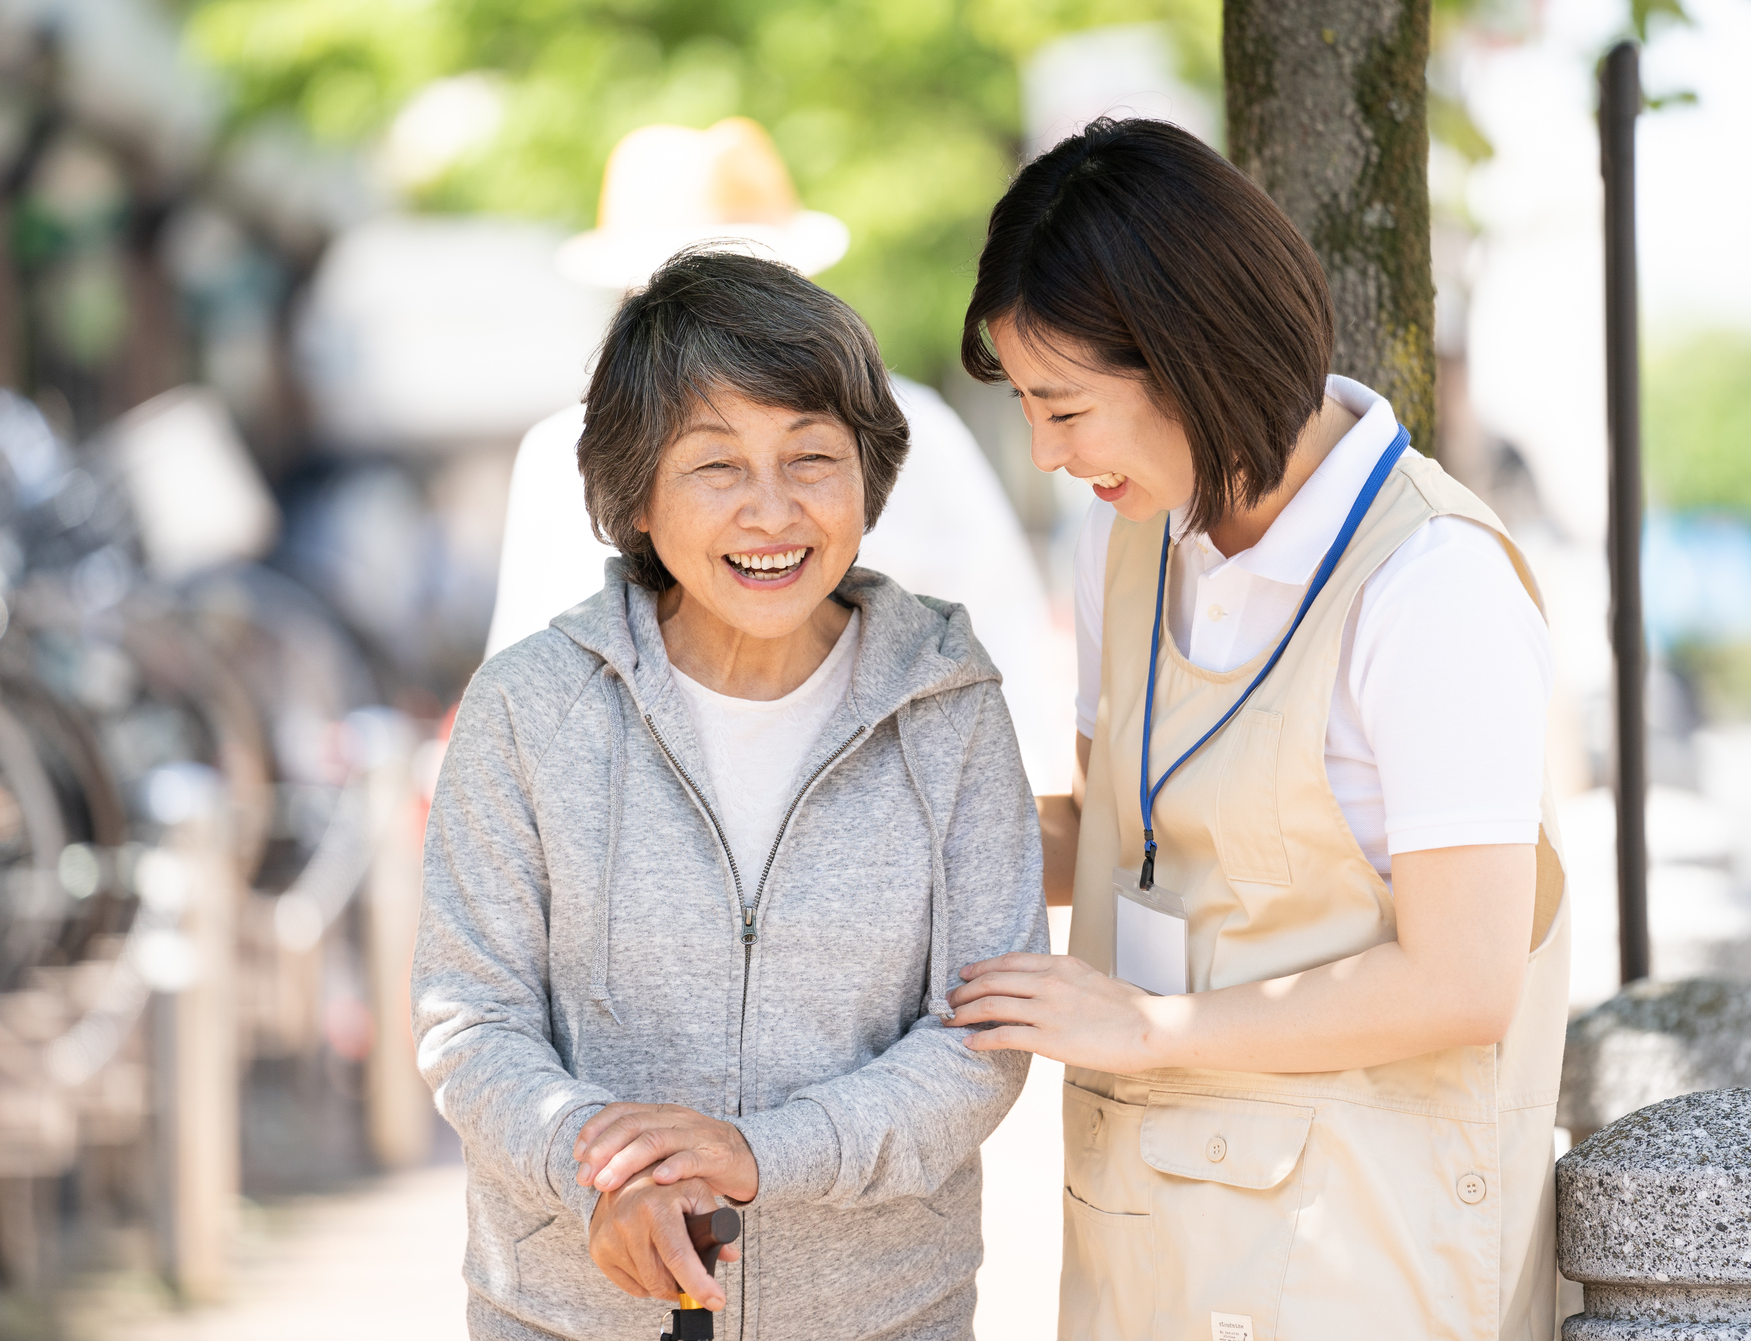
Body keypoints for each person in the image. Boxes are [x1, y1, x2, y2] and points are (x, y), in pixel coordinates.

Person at [943, 119, 1570, 1340]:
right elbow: (1119, 833)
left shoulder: (1431, 583)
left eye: (1063, 409)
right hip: (1142, 1232)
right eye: (1026, 408)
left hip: (1356, 1261)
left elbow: (1464, 976)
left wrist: (1143, 1028)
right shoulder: (1123, 537)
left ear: (1185, 356)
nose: (1046, 453)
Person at [413, 248, 1048, 1341]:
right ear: (637, 497)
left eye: (812, 457)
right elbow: (472, 1020)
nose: (771, 511)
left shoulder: (947, 707)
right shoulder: (525, 709)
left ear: (867, 476)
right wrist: (603, 1172)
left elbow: (980, 1034)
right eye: (714, 466)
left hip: (883, 1314)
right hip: (573, 1315)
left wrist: (761, 1155)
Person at [484, 116, 1072, 792]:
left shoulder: (913, 429)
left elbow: (1007, 660)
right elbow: (529, 692)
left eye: (811, 460)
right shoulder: (565, 451)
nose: (768, 513)